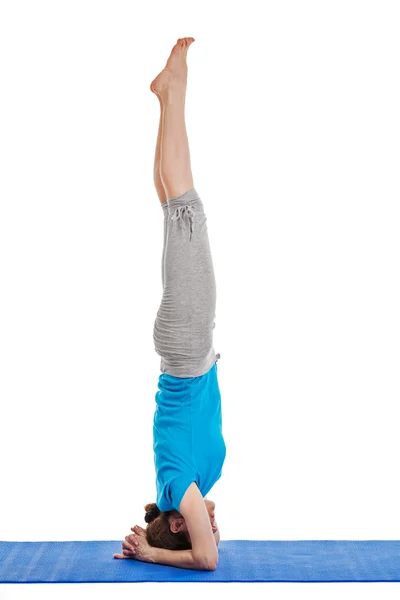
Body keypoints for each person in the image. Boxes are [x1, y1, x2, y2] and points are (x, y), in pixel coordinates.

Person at [114, 37, 226, 571]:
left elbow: (205, 561)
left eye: (205, 525)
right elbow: (204, 542)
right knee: (174, 207)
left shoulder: (180, 482)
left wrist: (153, 552)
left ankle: (175, 89)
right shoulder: (181, 480)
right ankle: (165, 96)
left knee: (186, 206)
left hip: (185, 347)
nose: (214, 525)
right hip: (184, 348)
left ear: (179, 521)